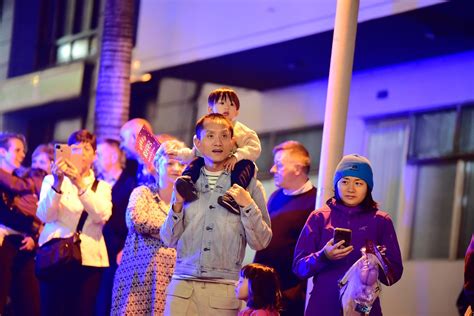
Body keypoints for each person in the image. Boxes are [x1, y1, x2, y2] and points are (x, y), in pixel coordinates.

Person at [160, 113, 272, 316]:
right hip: (181, 289)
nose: (218, 142)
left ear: (233, 142)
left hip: (223, 292)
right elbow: (168, 239)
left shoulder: (250, 185)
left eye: (224, 136)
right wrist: (177, 203)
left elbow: (261, 242)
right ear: (197, 142)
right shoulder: (186, 182)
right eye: (210, 136)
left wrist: (247, 205)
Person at [292, 154, 403, 316]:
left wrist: (378, 261)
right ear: (336, 184)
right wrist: (323, 256)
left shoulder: (381, 221)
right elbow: (299, 268)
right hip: (322, 306)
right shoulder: (319, 217)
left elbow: (394, 275)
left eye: (358, 183)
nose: (350, 189)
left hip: (364, 307)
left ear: (368, 187)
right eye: (344, 182)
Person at [37, 129, 112, 316]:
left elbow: (101, 215)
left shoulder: (102, 187)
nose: (81, 153)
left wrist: (79, 183)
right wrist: (57, 182)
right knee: (51, 309)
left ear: (94, 155)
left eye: (86, 148)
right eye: (75, 148)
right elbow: (45, 216)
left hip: (89, 258)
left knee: (82, 311)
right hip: (55, 255)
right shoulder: (51, 180)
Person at [111, 139, 186, 315]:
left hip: (172, 281)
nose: (176, 168)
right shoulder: (143, 193)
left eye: (181, 164)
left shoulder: (188, 204)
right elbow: (136, 221)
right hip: (137, 280)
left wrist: (166, 231)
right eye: (170, 163)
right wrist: (172, 231)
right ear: (157, 166)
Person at [169, 87, 261, 214]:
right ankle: (187, 184)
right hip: (210, 167)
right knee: (197, 161)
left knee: (247, 165)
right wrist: (179, 154)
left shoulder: (244, 132)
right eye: (222, 103)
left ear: (237, 112)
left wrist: (236, 156)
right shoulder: (204, 129)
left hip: (236, 167)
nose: (227, 107)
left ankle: (232, 198)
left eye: (231, 104)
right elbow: (195, 152)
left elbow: (254, 148)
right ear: (210, 109)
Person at [254, 141, 316, 315]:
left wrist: (296, 291)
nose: (273, 169)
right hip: (263, 292)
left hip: (290, 297)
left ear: (298, 168)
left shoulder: (316, 202)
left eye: (279, 165)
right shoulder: (275, 197)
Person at [94, 139, 136, 316]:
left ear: (113, 156)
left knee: (106, 299)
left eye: (100, 154)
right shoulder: (94, 182)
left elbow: (132, 220)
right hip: (94, 248)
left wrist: (125, 247)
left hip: (116, 249)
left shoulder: (130, 183)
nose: (95, 158)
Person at [0, 132, 41, 316]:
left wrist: (33, 233)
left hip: (22, 246)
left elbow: (33, 213)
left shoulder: (22, 181)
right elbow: (8, 214)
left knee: (29, 301)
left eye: (23, 150)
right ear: (2, 151)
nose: (22, 154)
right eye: (16, 150)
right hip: (4, 246)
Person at [120, 118, 156, 186]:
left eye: (123, 139)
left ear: (136, 137)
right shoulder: (134, 168)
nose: (121, 146)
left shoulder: (160, 166)